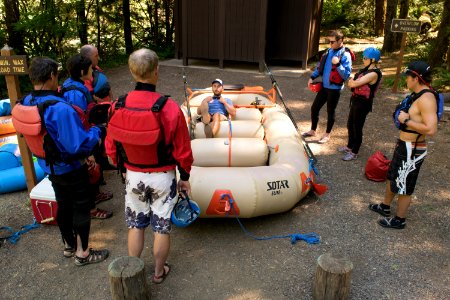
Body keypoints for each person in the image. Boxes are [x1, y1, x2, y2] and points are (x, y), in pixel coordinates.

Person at [105, 48, 194, 283]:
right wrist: (184, 175)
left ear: (132, 71)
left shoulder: (117, 105)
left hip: (133, 175)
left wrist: (121, 168)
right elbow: (183, 149)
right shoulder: (169, 107)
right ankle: (158, 272)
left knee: (136, 224)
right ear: (157, 71)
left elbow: (111, 146)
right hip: (163, 176)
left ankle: (133, 273)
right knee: (161, 227)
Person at [17, 57, 109, 264]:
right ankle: (83, 253)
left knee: (63, 204)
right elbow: (78, 144)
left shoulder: (26, 102)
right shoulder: (59, 108)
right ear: (51, 76)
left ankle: (69, 246)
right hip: (70, 167)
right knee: (80, 206)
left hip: (48, 166)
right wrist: (97, 130)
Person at [369, 61, 438, 229]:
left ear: (416, 78)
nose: (406, 80)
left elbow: (431, 129)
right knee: (393, 175)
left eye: (408, 77)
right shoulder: (417, 94)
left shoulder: (426, 99)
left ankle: (400, 219)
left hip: (413, 149)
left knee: (405, 184)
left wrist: (406, 120)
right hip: (404, 144)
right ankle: (385, 207)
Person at [62, 54, 113, 220]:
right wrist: (87, 145)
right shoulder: (74, 92)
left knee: (96, 164)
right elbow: (77, 120)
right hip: (84, 137)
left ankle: (96, 194)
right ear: (83, 71)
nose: (93, 71)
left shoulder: (76, 84)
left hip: (90, 133)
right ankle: (91, 209)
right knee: (88, 170)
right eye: (91, 69)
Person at [303, 30, 353, 144]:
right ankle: (313, 130)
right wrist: (312, 77)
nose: (330, 44)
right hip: (324, 87)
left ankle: (327, 134)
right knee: (314, 108)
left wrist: (338, 64)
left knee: (330, 111)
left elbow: (346, 75)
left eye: (332, 42)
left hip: (335, 89)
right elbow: (319, 66)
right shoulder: (328, 51)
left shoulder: (345, 55)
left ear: (340, 40)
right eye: (328, 41)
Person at [339, 47, 383, 161]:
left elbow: (353, 84)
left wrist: (353, 82)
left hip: (363, 103)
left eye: (365, 58)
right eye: (363, 57)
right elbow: (351, 83)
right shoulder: (365, 71)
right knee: (350, 124)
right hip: (356, 100)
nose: (363, 59)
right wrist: (353, 82)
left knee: (357, 126)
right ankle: (349, 146)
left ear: (372, 60)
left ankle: (355, 151)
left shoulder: (374, 73)